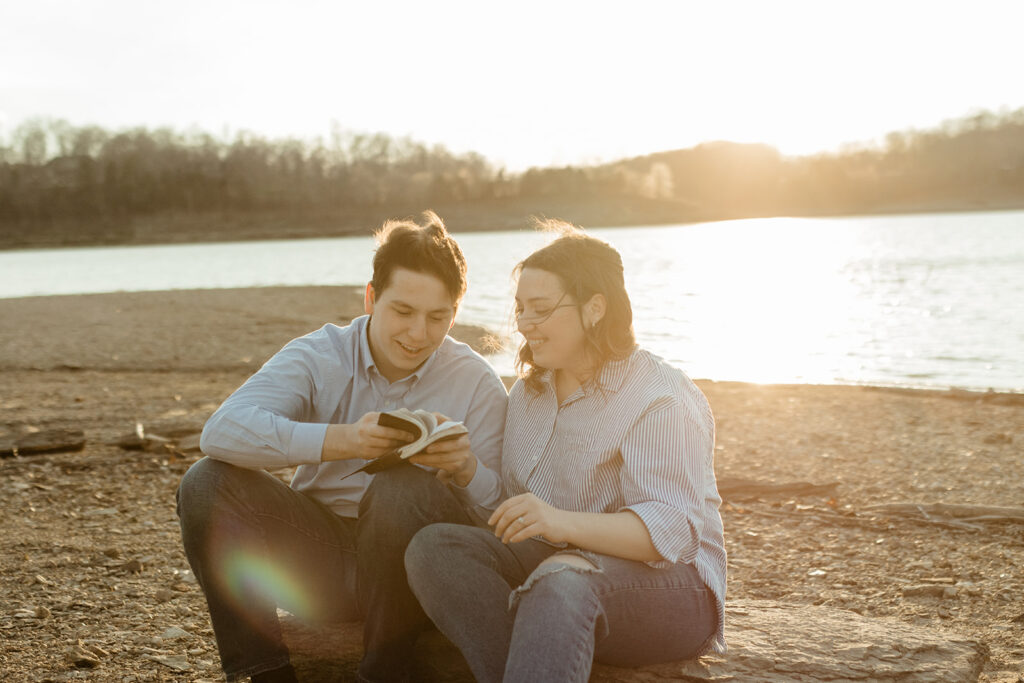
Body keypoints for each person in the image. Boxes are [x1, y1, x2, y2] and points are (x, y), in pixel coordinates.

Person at [175, 211, 508, 683]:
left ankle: (384, 674)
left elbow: (503, 517)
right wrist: (344, 440)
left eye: (439, 317)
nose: (418, 335)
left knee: (402, 485)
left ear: (456, 310)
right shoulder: (320, 353)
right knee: (205, 482)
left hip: (417, 577)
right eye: (403, 311)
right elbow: (222, 431)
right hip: (321, 564)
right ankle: (265, 673)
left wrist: (467, 470)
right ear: (371, 298)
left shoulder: (476, 381)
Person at [405, 222, 727, 682]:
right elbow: (522, 509)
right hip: (557, 566)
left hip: (673, 591)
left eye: (540, 309)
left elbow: (671, 531)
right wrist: (466, 469)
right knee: (434, 548)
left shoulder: (660, 397)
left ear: (595, 308)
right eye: (519, 308)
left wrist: (558, 522)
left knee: (560, 582)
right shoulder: (528, 394)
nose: (523, 323)